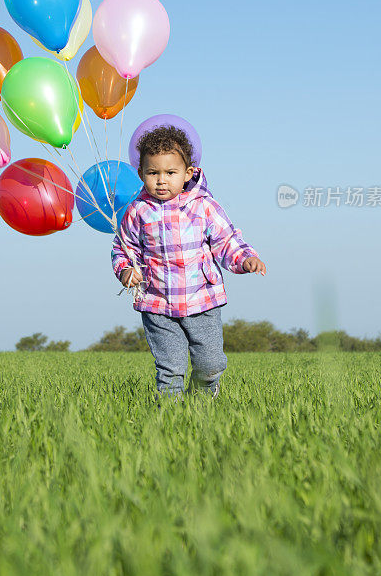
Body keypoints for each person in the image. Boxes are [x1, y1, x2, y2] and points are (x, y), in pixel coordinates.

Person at [111, 125, 266, 403]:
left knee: (211, 363)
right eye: (153, 173)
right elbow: (123, 248)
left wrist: (245, 259)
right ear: (141, 174)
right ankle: (171, 419)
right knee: (170, 370)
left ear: (187, 174)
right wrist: (125, 269)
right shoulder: (137, 211)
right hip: (157, 303)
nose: (161, 180)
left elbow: (226, 239)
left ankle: (204, 397)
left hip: (202, 301)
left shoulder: (203, 206)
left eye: (170, 173)